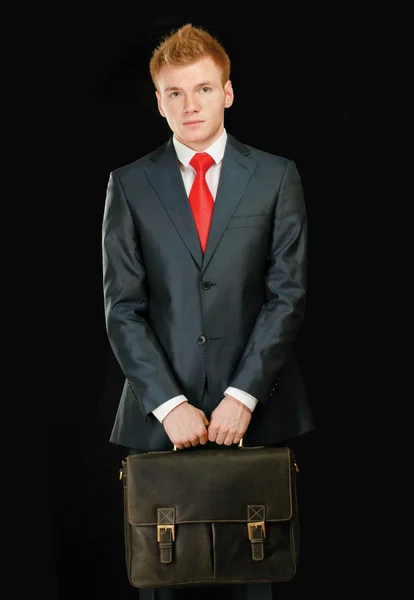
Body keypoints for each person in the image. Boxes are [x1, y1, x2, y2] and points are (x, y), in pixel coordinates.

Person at [102, 22, 315, 600]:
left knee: (259, 579)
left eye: (201, 89)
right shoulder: (129, 184)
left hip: (258, 411)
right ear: (158, 101)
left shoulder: (275, 176)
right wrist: (169, 405)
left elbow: (286, 294)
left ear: (226, 92)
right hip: (160, 420)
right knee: (161, 579)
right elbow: (122, 307)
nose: (189, 104)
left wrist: (243, 395)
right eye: (175, 93)